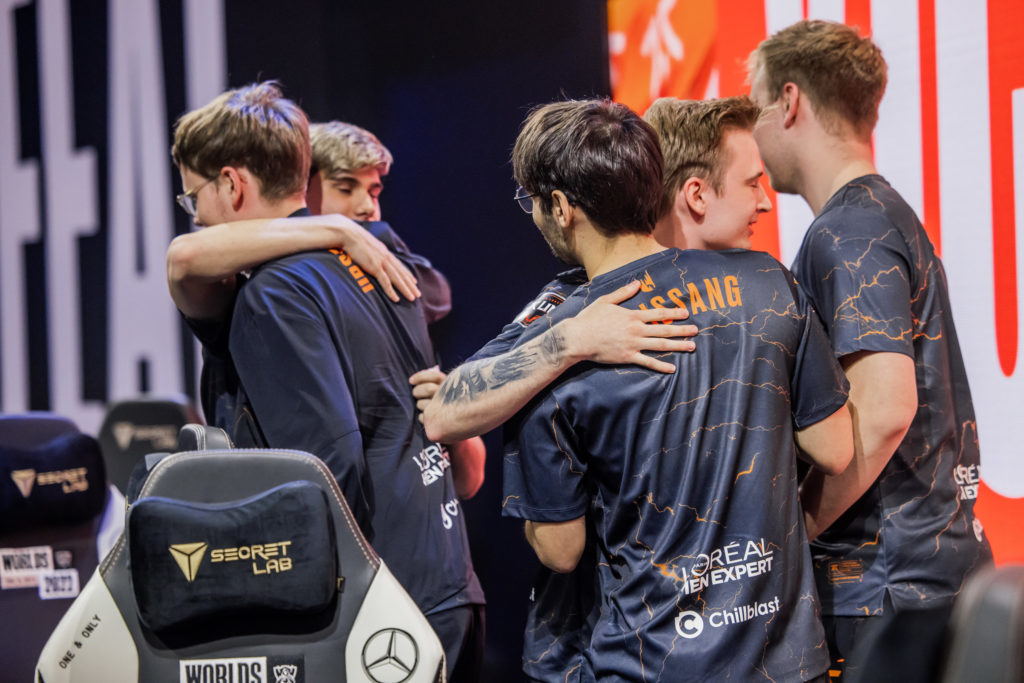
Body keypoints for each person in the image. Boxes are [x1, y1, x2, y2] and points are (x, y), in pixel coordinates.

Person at [500, 97, 853, 681]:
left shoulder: (552, 348)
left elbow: (560, 550)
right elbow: (835, 449)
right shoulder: (770, 282)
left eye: (532, 202)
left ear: (560, 208)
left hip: (649, 662)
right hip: (785, 657)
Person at [168, 81, 484, 680]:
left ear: (232, 185)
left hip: (376, 619)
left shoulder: (271, 294)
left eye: (194, 200)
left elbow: (325, 467)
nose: (197, 219)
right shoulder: (381, 253)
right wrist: (338, 230)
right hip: (450, 586)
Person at [747, 19, 993, 677]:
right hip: (920, 575)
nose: (753, 134)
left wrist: (792, 533)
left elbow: (882, 411)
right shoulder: (880, 213)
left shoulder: (848, 230)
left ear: (789, 102)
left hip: (884, 588)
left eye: (756, 108)